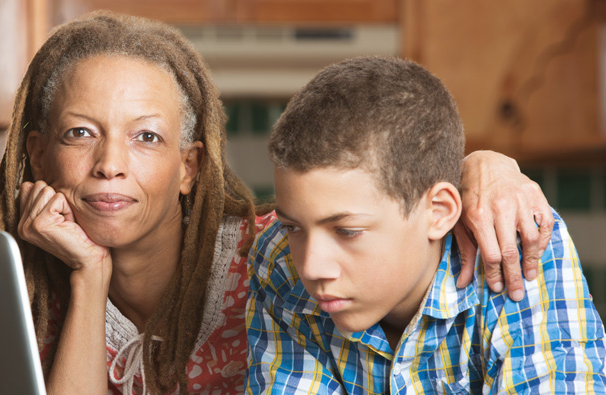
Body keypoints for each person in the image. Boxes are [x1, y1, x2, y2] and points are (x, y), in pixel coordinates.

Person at [0, 11, 553, 395]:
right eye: (80, 134)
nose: (110, 164)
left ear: (189, 167)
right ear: (38, 156)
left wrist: (487, 166)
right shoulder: (20, 294)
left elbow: (384, 188)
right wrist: (90, 275)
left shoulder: (280, 254)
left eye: (147, 137)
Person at [246, 56, 606, 394]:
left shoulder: (520, 243)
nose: (311, 266)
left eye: (347, 231)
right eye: (294, 227)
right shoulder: (280, 261)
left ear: (438, 212)